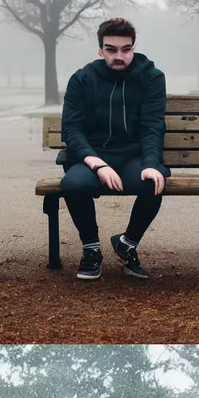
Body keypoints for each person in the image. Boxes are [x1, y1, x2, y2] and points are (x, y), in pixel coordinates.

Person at [56, 17, 169, 281]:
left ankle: (127, 244)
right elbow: (71, 130)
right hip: (90, 157)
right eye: (111, 49)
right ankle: (91, 249)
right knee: (73, 184)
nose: (119, 56)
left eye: (126, 49)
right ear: (100, 50)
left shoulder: (152, 77)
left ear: (133, 47)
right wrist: (97, 163)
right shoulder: (82, 79)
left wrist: (152, 163)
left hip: (131, 155)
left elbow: (153, 126)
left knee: (154, 181)